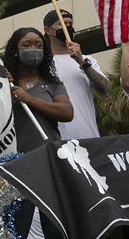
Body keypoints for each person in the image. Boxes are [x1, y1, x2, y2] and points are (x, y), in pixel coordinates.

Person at [0, 27, 75, 239]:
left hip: (49, 162)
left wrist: (29, 99)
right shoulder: (3, 84)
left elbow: (66, 113)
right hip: (19, 166)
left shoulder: (52, 82)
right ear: (15, 49)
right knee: (17, 232)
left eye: (38, 44)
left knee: (55, 229)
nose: (33, 49)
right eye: (27, 44)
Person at [42, 8, 110, 141]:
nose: (68, 27)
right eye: (62, 24)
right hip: (58, 140)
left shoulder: (88, 60)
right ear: (48, 30)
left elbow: (106, 91)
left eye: (70, 24)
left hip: (89, 136)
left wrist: (82, 62)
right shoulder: (43, 64)